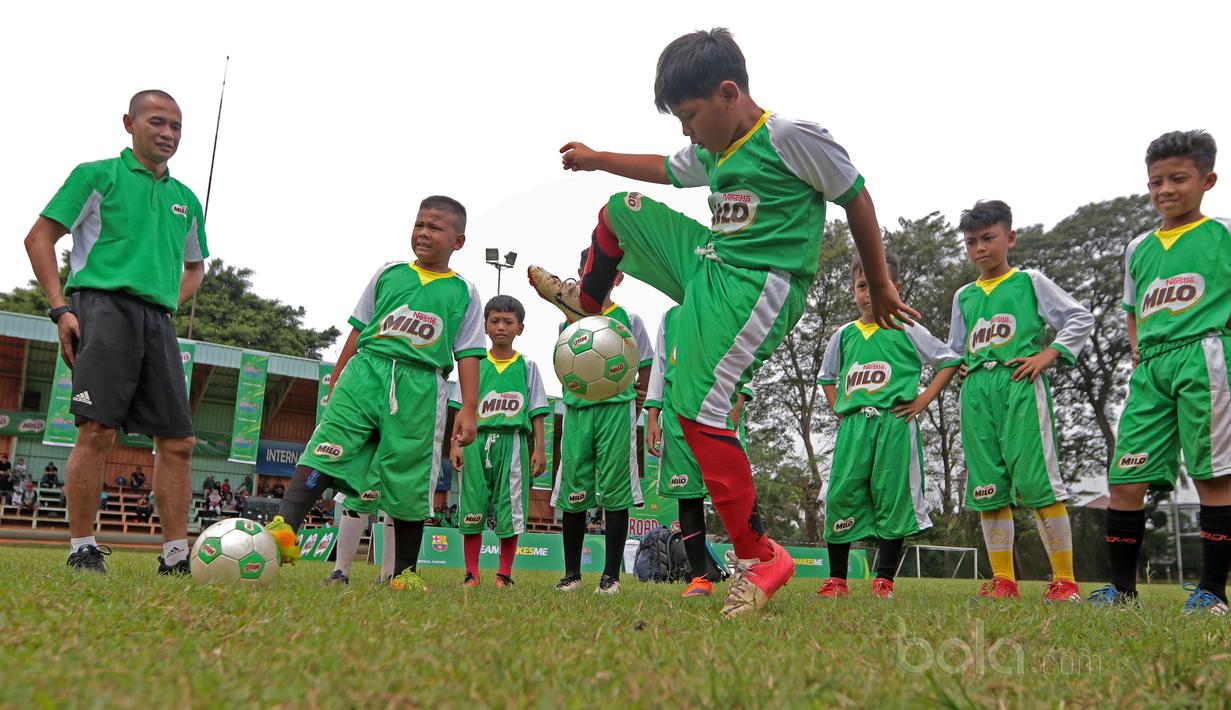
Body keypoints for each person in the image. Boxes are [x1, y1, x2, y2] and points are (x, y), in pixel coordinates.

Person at [527, 28, 913, 617]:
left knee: (699, 409)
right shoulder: (712, 148)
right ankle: (589, 299)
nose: (686, 129)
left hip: (758, 284)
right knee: (618, 211)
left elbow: (855, 196)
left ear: (729, 93)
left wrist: (881, 282)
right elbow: (662, 167)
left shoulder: (789, 137)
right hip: (708, 259)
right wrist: (599, 159)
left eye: (688, 115)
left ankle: (761, 558)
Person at [23, 89, 206, 575]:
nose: (168, 133)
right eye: (157, 122)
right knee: (98, 430)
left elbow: (195, 268)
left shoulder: (185, 199)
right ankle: (82, 546)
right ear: (129, 123)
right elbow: (39, 237)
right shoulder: (96, 176)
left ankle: (175, 556)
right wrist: (61, 309)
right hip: (100, 309)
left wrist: (168, 297)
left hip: (157, 321)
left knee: (178, 442)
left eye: (177, 127)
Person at [263, 195, 484, 592]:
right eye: (419, 224)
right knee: (328, 447)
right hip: (367, 371)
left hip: (420, 385)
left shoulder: (464, 292)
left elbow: (468, 353)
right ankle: (284, 530)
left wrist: (468, 408)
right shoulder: (388, 272)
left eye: (435, 227)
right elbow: (358, 327)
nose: (423, 233)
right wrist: (339, 374)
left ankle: (404, 574)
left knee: (410, 476)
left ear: (458, 241)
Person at [1091, 131, 1231, 614]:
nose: (1165, 190)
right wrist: (1135, 347)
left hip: (1205, 357)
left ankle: (1212, 592)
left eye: (1178, 179)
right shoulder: (1137, 248)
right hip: (1151, 367)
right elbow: (1132, 307)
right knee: (1125, 480)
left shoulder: (1223, 234)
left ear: (1206, 180)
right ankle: (1122, 592)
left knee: (1213, 476)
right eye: (1155, 182)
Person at [946, 200, 1094, 602]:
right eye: (971, 241)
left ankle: (1064, 581)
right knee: (988, 488)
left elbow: (1079, 318)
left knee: (1038, 483)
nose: (980, 248)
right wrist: (959, 367)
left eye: (988, 238)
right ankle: (1003, 581)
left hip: (1019, 386)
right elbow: (955, 348)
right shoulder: (964, 296)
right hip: (976, 395)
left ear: (1009, 238)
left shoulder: (1029, 281)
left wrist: (1049, 354)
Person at [815, 253, 960, 600]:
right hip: (853, 429)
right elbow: (827, 376)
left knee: (893, 496)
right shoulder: (844, 335)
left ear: (893, 288)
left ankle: (884, 580)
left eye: (875, 286)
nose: (868, 294)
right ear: (853, 290)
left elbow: (950, 359)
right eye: (861, 287)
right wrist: (839, 407)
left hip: (894, 424)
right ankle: (837, 580)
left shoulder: (906, 326)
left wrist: (923, 400)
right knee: (841, 494)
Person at [546, 249, 653, 595]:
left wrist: (635, 403)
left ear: (617, 277)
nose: (596, 278)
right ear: (579, 276)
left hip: (616, 414)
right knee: (573, 492)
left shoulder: (629, 319)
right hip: (578, 412)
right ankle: (572, 574)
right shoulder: (568, 321)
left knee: (615, 492)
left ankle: (610, 577)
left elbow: (647, 363)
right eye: (589, 272)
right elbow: (564, 365)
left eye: (605, 272)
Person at [645, 303, 751, 598]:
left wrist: (739, 401)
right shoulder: (669, 317)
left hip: (718, 410)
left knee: (734, 494)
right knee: (688, 496)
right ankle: (699, 578)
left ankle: (753, 568)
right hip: (678, 415)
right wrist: (653, 415)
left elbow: (745, 352)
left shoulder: (725, 302)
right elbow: (660, 366)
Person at [448, 295, 549, 588]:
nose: (501, 327)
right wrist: (455, 444)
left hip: (513, 442)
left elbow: (538, 410)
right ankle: (471, 573)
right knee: (472, 505)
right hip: (475, 441)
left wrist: (539, 448)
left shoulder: (527, 365)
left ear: (520, 328)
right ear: (485, 326)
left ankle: (504, 574)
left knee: (510, 508)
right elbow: (461, 408)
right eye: (494, 321)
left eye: (508, 322)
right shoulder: (474, 364)